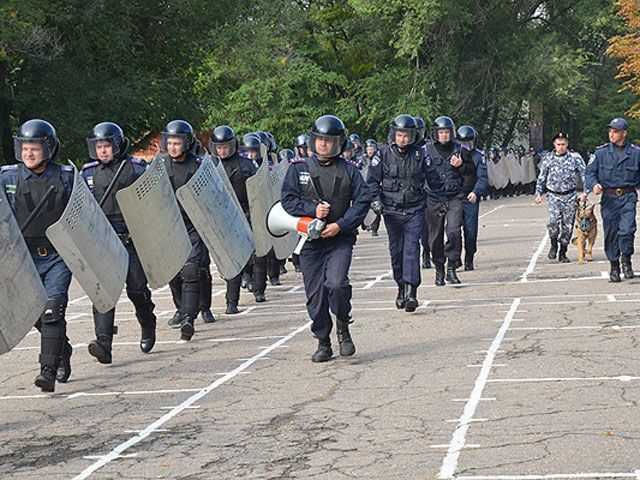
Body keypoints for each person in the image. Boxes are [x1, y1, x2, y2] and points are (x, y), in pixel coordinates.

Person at [281, 115, 371, 362]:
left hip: (339, 239)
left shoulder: (350, 171)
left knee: (337, 285)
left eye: (329, 141)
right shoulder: (298, 167)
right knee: (315, 296)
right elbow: (287, 200)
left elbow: (363, 201)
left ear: (338, 143)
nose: (323, 144)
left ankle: (343, 326)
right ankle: (323, 341)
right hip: (310, 242)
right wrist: (312, 211)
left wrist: (340, 226)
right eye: (319, 139)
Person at [0, 119, 74, 392]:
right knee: (33, 313)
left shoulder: (67, 176)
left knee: (52, 309)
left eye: (35, 148)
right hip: (23, 257)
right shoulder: (6, 177)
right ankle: (62, 349)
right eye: (25, 148)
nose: (29, 153)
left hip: (57, 255)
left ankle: (48, 370)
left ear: (49, 149)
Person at [81, 122, 157, 364]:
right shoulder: (87, 173)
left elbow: (151, 204)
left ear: (118, 145)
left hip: (131, 240)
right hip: (104, 242)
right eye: (99, 146)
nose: (103, 151)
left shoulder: (135, 169)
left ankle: (148, 322)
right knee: (102, 292)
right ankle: (103, 342)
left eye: (107, 145)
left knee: (136, 290)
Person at [367, 114, 446, 311]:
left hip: (414, 209)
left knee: (412, 249)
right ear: (393, 135)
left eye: (407, 135)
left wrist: (444, 199)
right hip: (391, 212)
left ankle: (412, 292)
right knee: (397, 251)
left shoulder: (421, 155)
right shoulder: (382, 155)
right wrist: (375, 201)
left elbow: (434, 179)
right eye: (399, 135)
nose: (403, 139)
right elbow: (371, 183)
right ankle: (401, 287)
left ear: (413, 136)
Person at [161, 120, 205, 341]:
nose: (172, 147)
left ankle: (189, 319)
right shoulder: (158, 167)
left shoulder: (198, 165)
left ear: (186, 143)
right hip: (169, 225)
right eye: (169, 143)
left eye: (176, 143)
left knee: (190, 270)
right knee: (172, 272)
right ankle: (180, 308)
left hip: (192, 225)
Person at [423, 116, 477, 285]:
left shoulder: (461, 150)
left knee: (454, 231)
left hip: (454, 197)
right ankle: (439, 269)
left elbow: (471, 174)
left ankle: (452, 268)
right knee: (434, 236)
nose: (444, 135)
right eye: (441, 132)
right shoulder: (426, 151)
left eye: (447, 132)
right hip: (433, 198)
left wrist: (461, 166)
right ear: (435, 133)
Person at [585, 117, 640, 281]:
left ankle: (626, 260)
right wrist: (594, 184)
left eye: (615, 131)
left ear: (624, 133)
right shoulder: (601, 153)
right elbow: (590, 173)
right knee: (611, 233)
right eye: (610, 131)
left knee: (627, 230)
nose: (611, 134)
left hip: (628, 196)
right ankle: (614, 266)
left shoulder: (636, 153)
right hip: (609, 198)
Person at [210, 125, 257, 313]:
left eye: (225, 147)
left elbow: (255, 191)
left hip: (245, 214)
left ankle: (249, 273)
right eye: (219, 147)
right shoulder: (210, 165)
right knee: (230, 260)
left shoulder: (245, 164)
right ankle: (231, 301)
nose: (222, 151)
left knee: (247, 255)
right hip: (222, 216)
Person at [534, 132, 587, 263]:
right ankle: (553, 244)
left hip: (570, 196)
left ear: (567, 144)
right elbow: (542, 177)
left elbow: (585, 174)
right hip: (553, 195)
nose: (561, 147)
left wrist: (585, 192)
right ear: (554, 145)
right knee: (553, 221)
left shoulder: (575, 158)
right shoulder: (548, 159)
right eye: (558, 144)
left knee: (567, 226)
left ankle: (563, 251)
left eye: (563, 144)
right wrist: (538, 193)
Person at [457, 125, 488, 271]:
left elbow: (482, 178)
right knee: (453, 230)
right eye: (463, 142)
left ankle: (469, 257)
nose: (466, 145)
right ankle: (454, 259)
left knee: (470, 232)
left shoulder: (478, 156)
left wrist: (476, 192)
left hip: (470, 198)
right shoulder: (453, 155)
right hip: (455, 197)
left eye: (468, 142)